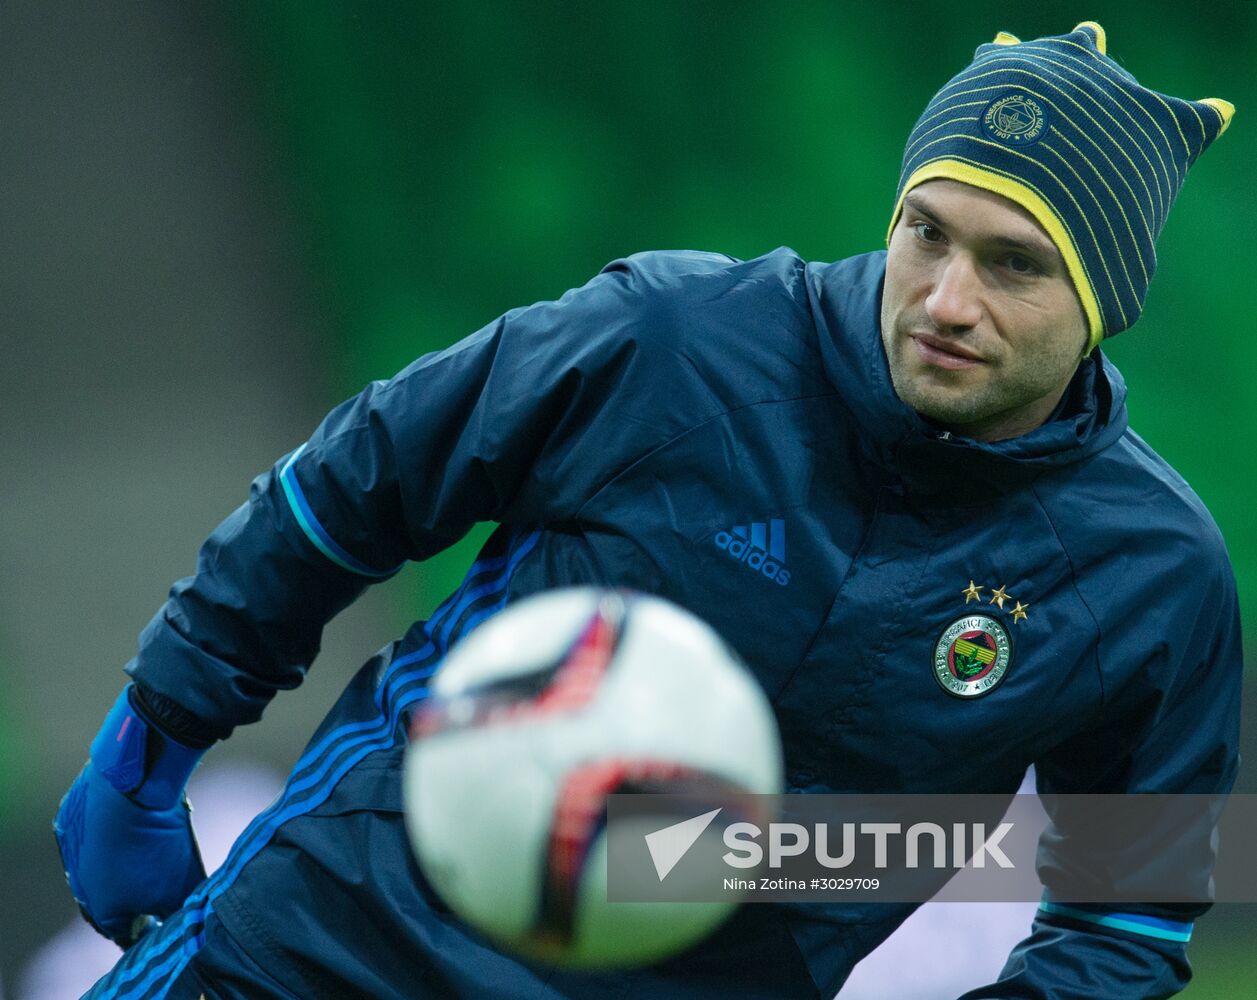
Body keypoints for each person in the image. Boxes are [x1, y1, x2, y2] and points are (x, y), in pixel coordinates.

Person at [59, 21, 1240, 1000]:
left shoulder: (1150, 575)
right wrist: (150, 746)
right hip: (315, 947)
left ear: (1105, 302)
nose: (944, 297)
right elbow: (349, 486)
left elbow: (1124, 918)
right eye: (926, 233)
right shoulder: (671, 340)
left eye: (1014, 264)